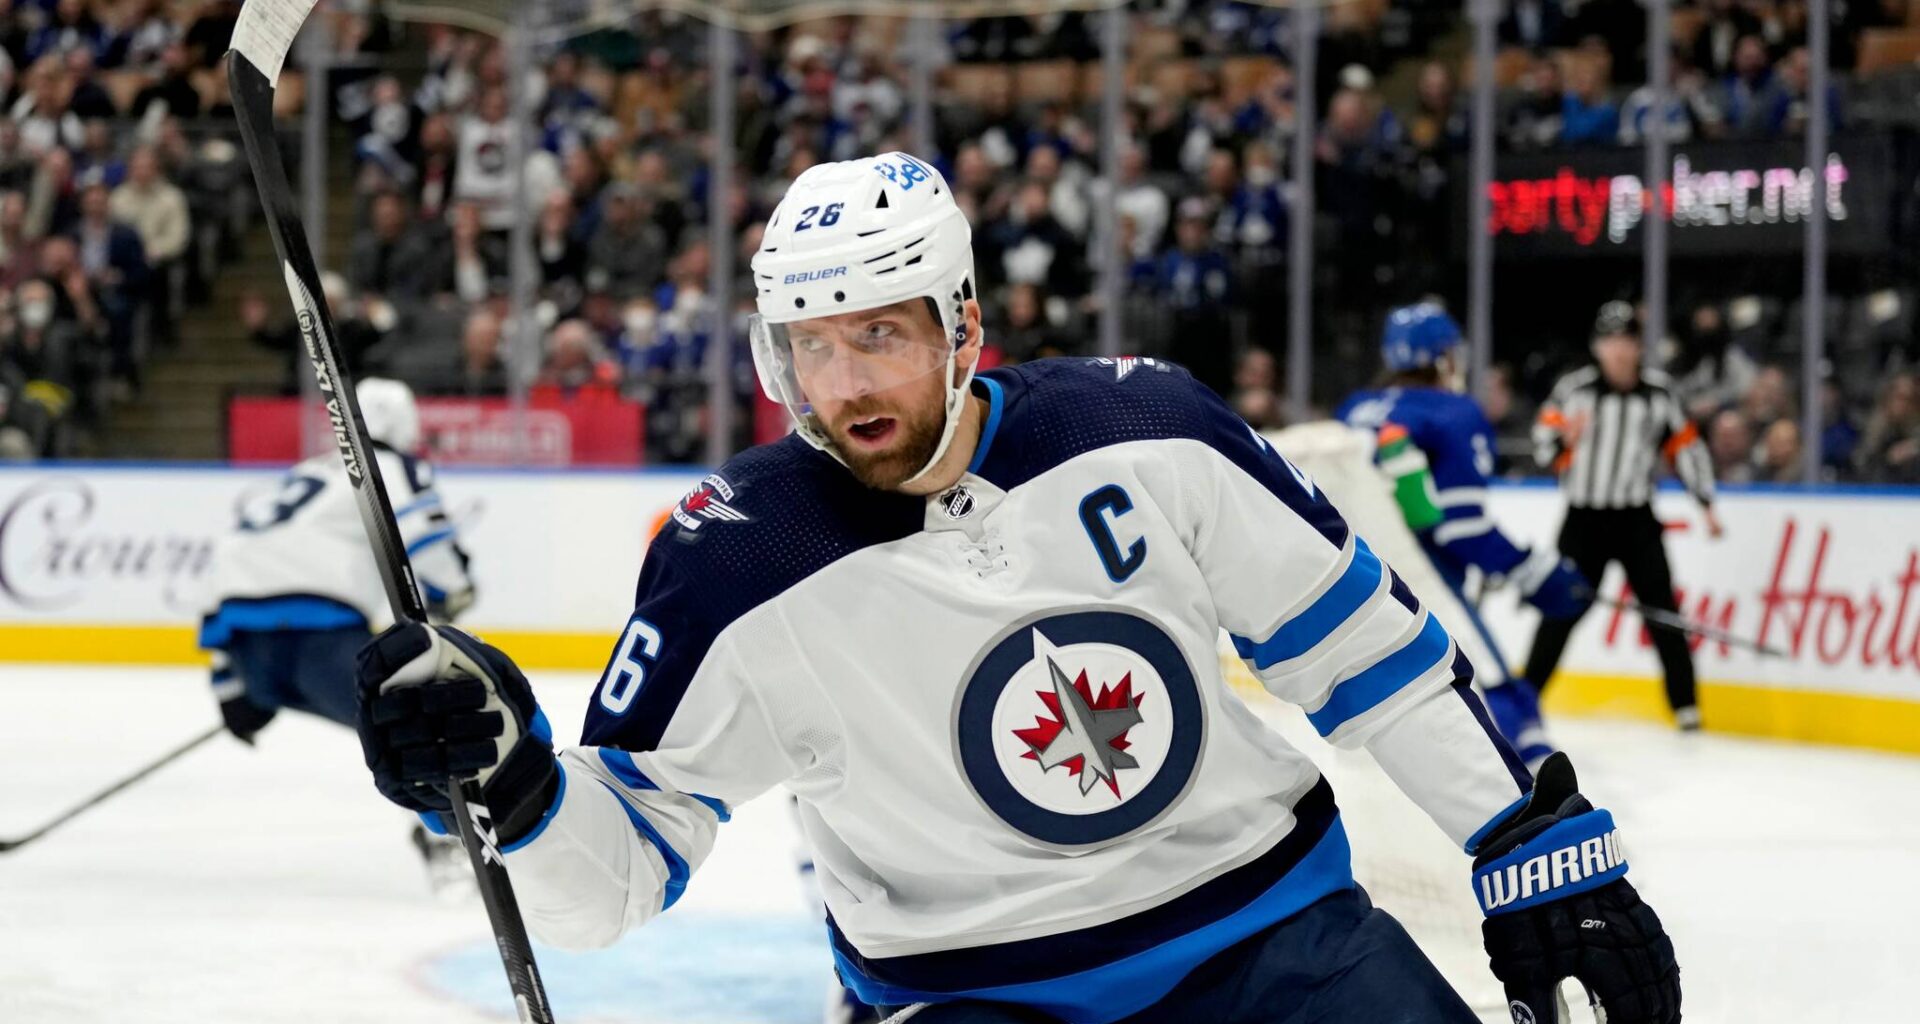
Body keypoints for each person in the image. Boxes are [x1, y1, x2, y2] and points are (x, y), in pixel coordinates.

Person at [352, 153, 1679, 1024]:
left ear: (963, 324)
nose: (849, 384)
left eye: (881, 334)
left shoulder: (1149, 433)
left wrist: (1523, 844)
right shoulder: (732, 564)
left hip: (1275, 946)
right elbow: (618, 879)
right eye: (814, 348)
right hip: (969, 1004)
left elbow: (1366, 656)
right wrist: (520, 787)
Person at [199, 380, 476, 880]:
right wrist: (453, 588)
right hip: (319, 645)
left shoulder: (303, 473)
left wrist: (232, 684)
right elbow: (428, 541)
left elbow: (228, 561)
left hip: (249, 652)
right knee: (429, 721)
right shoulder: (387, 466)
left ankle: (447, 830)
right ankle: (454, 839)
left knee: (399, 720)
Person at [1336, 303, 1589, 767]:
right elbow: (1462, 527)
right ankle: (1541, 815)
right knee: (1504, 700)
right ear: (1441, 358)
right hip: (1423, 577)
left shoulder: (1354, 408)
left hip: (1348, 580)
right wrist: (1533, 572)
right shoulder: (1451, 412)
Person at [1528, 302, 1720, 731]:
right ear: (1598, 346)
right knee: (1561, 608)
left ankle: (1686, 707)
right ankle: (1527, 698)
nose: (1618, 350)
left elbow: (1685, 448)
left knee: (1663, 611)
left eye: (1626, 341)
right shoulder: (1574, 390)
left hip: (1635, 520)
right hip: (1583, 522)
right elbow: (1542, 443)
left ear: (1638, 346)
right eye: (1610, 341)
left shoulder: (1659, 394)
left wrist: (1705, 503)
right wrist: (1565, 441)